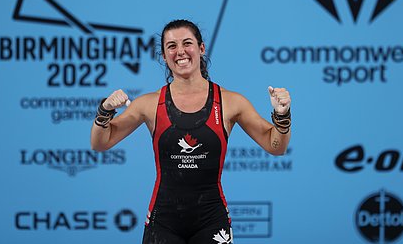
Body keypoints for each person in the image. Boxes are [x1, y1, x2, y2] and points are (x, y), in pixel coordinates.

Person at [90, 19, 292, 244]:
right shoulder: (149, 104)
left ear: (201, 48)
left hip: (211, 221)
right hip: (163, 222)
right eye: (171, 46)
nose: (180, 52)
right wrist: (104, 111)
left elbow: (277, 146)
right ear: (164, 56)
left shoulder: (231, 102)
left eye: (187, 43)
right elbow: (101, 143)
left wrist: (282, 115)